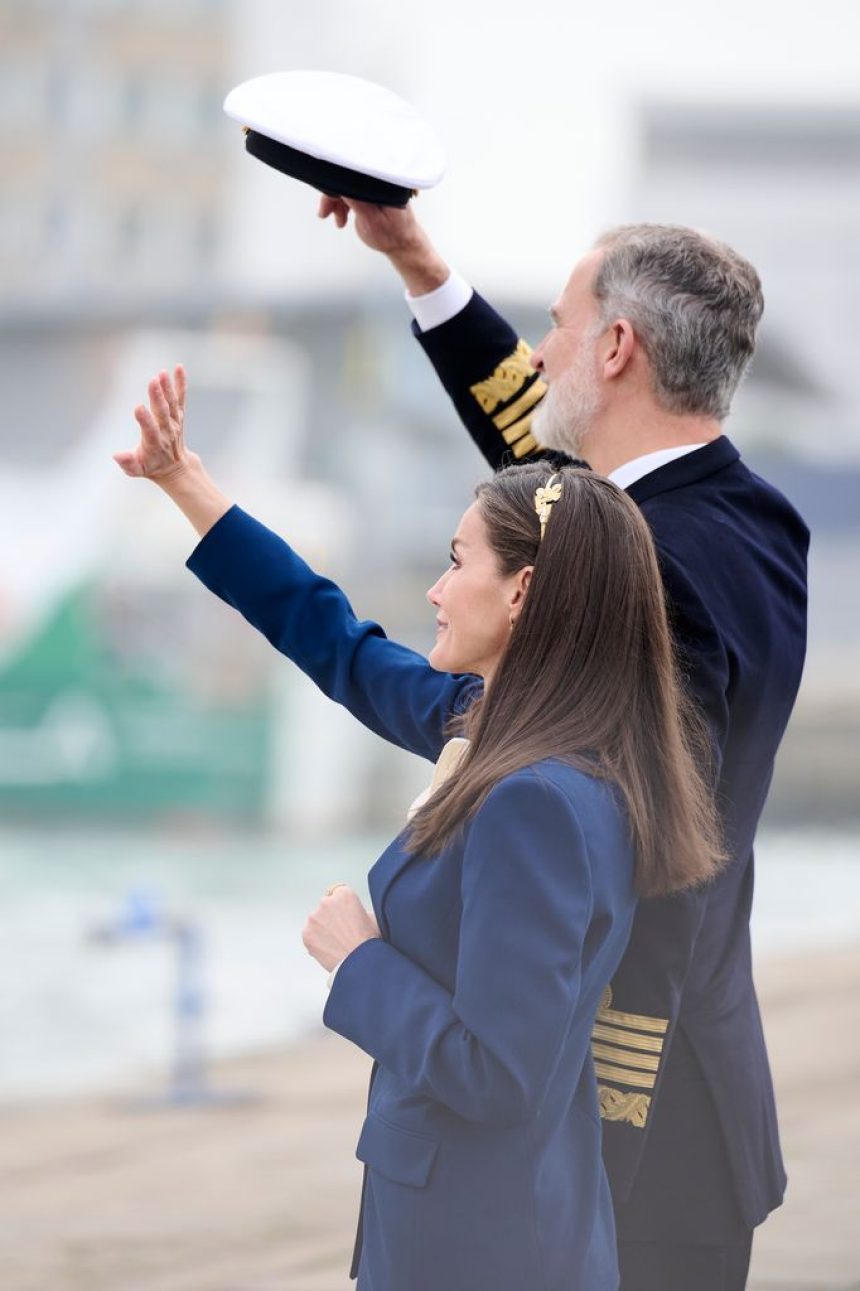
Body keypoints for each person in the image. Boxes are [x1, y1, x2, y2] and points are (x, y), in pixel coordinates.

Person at [114, 367, 724, 1291]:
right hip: (499, 1216)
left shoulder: (535, 799)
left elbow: (497, 1072)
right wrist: (185, 483)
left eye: (456, 560)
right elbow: (337, 643)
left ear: (521, 593)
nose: (437, 590)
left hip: (480, 1244)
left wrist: (358, 958)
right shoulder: (507, 728)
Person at [316, 198, 810, 1290]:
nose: (536, 355)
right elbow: (551, 485)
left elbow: (636, 851)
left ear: (618, 347)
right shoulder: (747, 515)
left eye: (553, 325)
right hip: (697, 1100)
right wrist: (419, 265)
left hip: (623, 1133)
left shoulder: (656, 565)